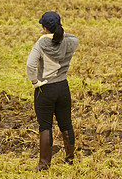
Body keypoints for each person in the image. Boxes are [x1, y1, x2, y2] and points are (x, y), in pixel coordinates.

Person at [26, 11, 79, 171]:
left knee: (45, 126)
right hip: (63, 87)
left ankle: (44, 164)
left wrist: (35, 82)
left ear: (43, 27)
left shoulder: (41, 44)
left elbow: (30, 65)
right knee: (66, 124)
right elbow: (73, 37)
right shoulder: (71, 42)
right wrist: (59, 32)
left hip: (45, 89)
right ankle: (70, 159)